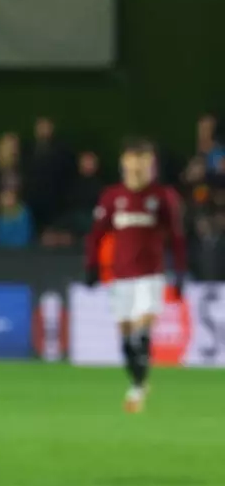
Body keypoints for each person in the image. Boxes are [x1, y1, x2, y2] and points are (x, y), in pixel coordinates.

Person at [84, 139, 189, 414]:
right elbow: (96, 234)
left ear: (151, 164)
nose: (139, 166)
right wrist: (91, 266)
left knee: (142, 334)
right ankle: (138, 381)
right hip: (121, 277)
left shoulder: (163, 196)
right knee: (126, 339)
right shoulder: (112, 197)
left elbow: (177, 237)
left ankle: (138, 388)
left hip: (151, 276)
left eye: (145, 160)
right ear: (124, 163)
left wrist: (179, 271)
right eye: (134, 159)